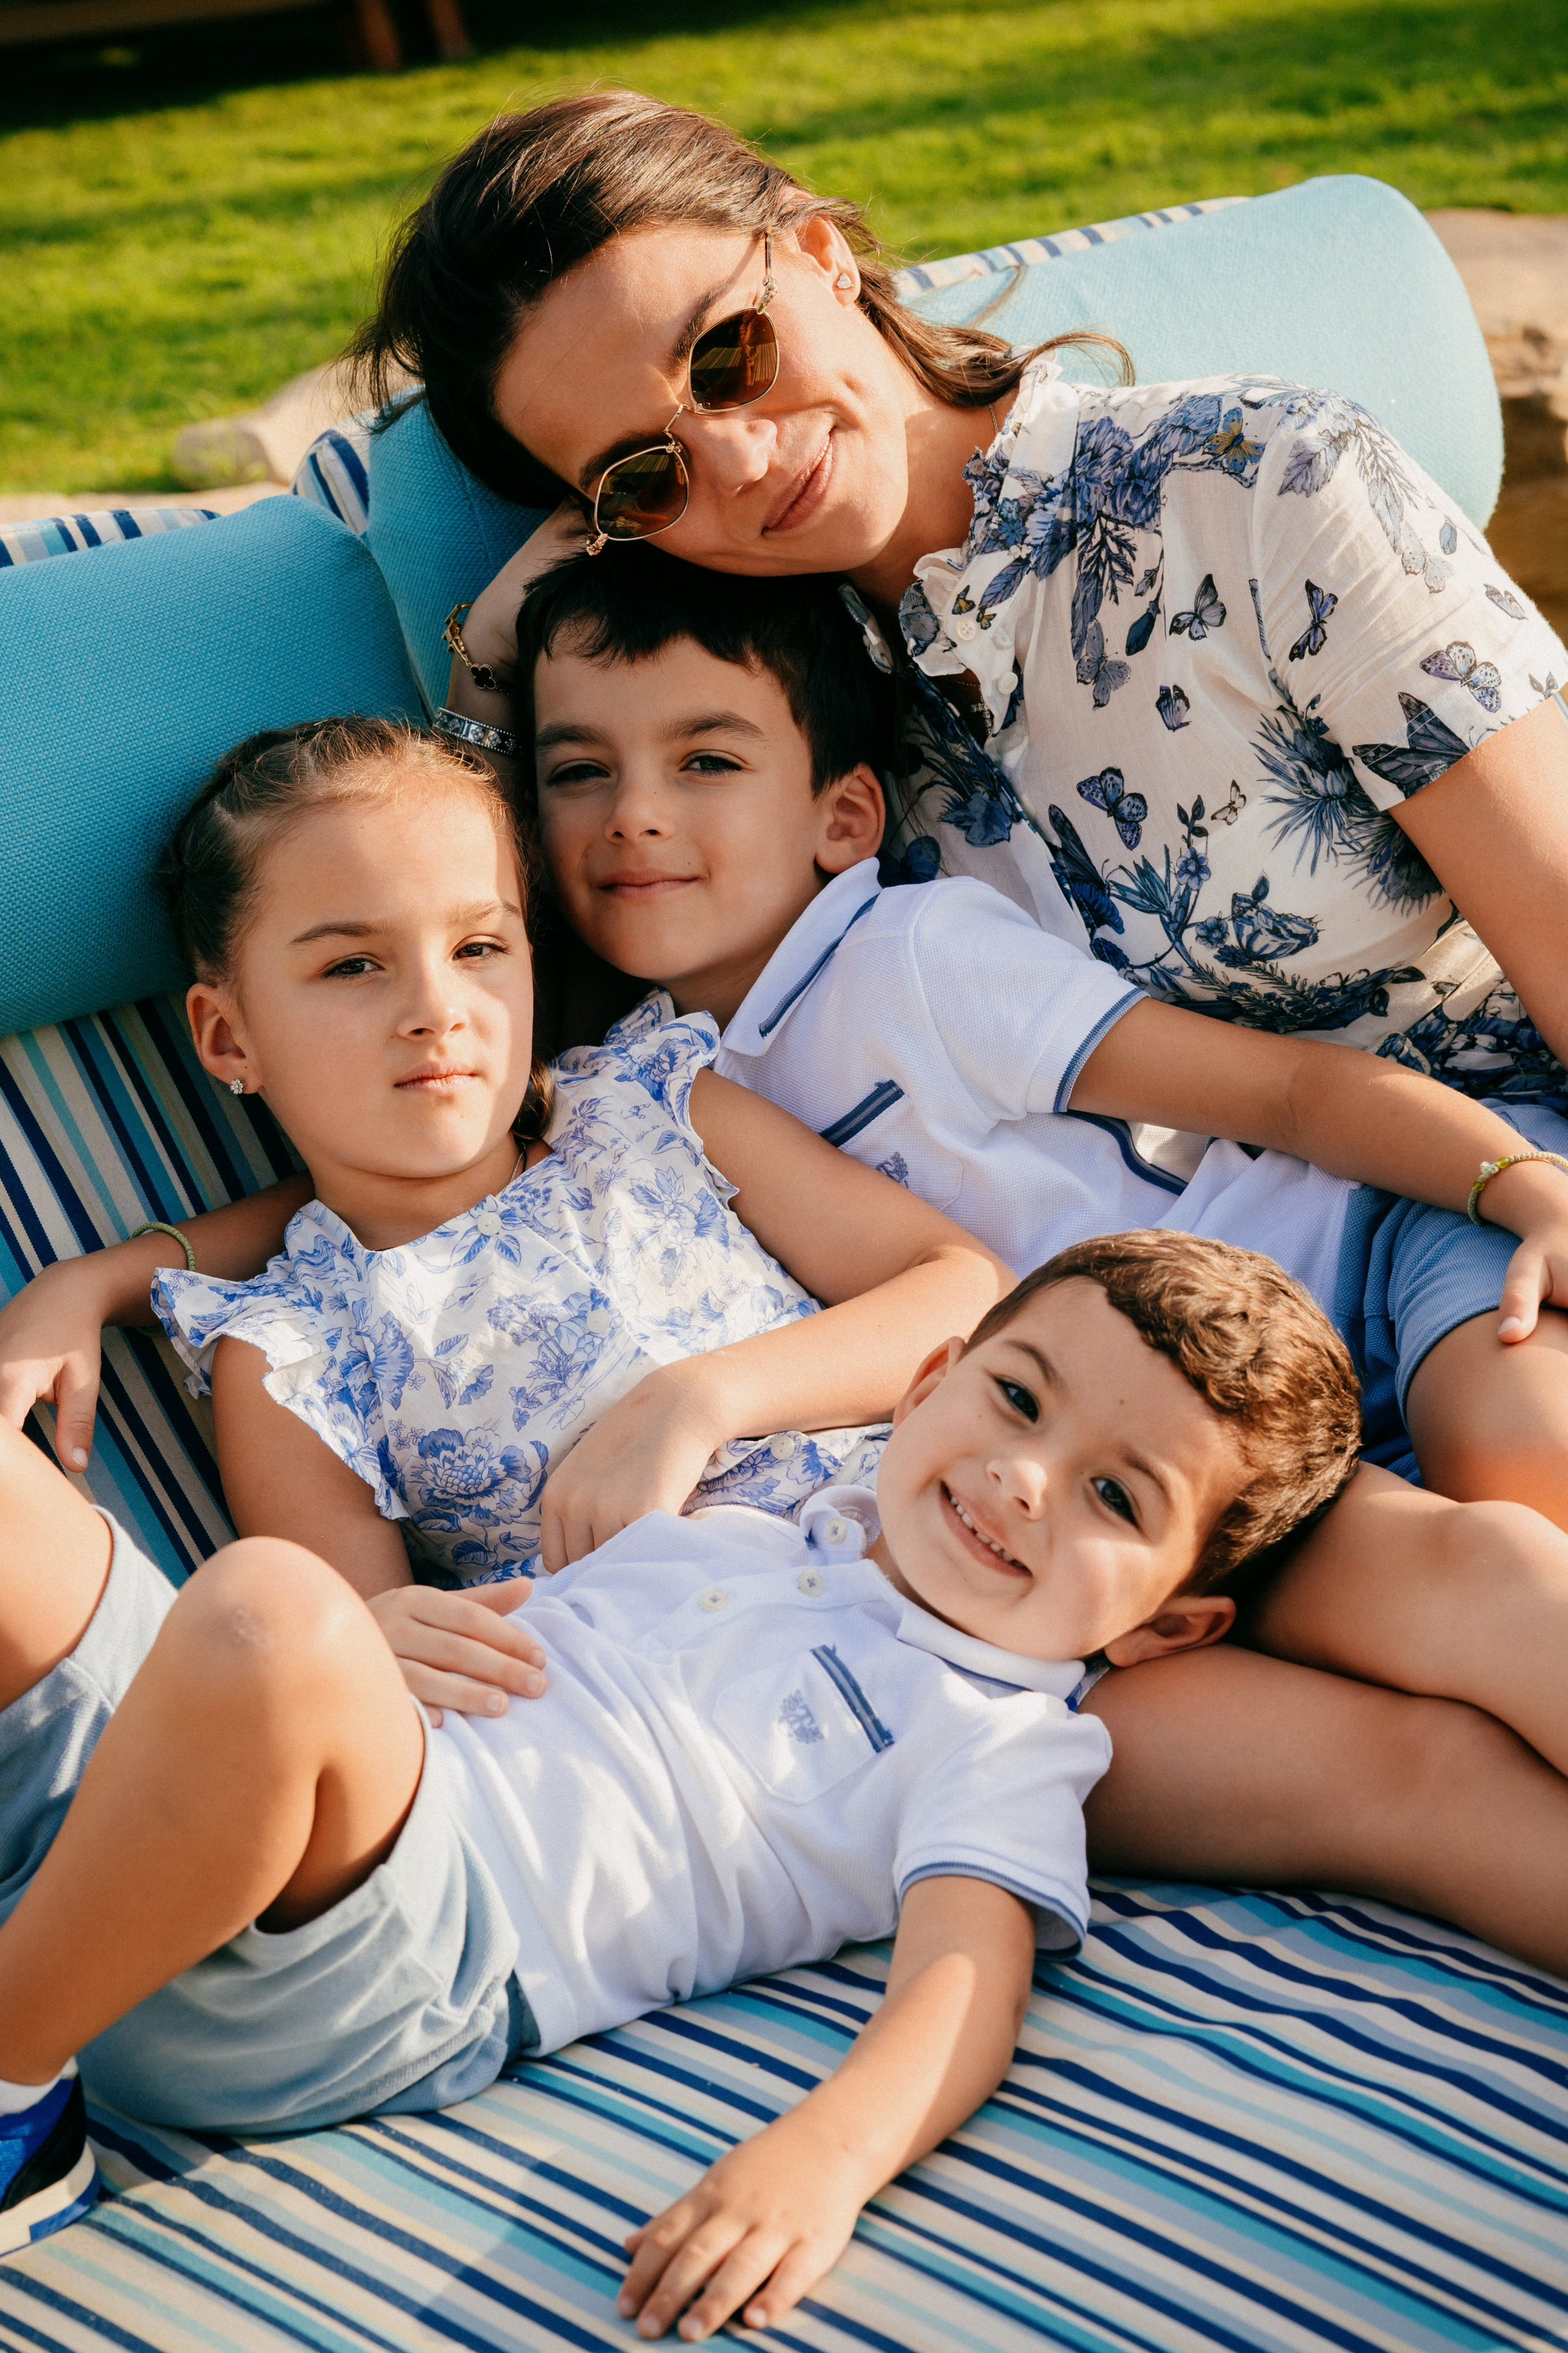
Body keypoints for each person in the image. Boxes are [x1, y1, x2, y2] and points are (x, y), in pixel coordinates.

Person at [0, 1234, 1409, 2337]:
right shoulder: (742, 1523)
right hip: (198, 1837)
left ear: (1164, 1627)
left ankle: (18, 2112)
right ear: (926, 1384)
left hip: (405, 1963)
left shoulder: (1002, 1734)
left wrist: (826, 2162)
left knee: (264, 1610)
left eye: (1115, 1498)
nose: (1025, 1478)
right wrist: (359, 1654)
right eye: (1016, 1399)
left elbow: (961, 1983)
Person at [371, 90, 1568, 1106]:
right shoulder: (750, 713)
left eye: (728, 351)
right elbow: (573, 1072)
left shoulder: (1255, 483)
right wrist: (488, 673)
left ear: (824, 254)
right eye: (642, 473)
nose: (734, 462)